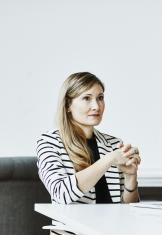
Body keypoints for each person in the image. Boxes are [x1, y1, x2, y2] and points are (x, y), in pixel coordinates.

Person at [36, 72, 141, 235]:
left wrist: (131, 178)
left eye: (100, 98)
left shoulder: (113, 144)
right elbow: (61, 193)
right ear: (68, 105)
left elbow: (127, 213)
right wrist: (109, 159)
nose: (96, 106)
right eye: (87, 98)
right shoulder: (49, 142)